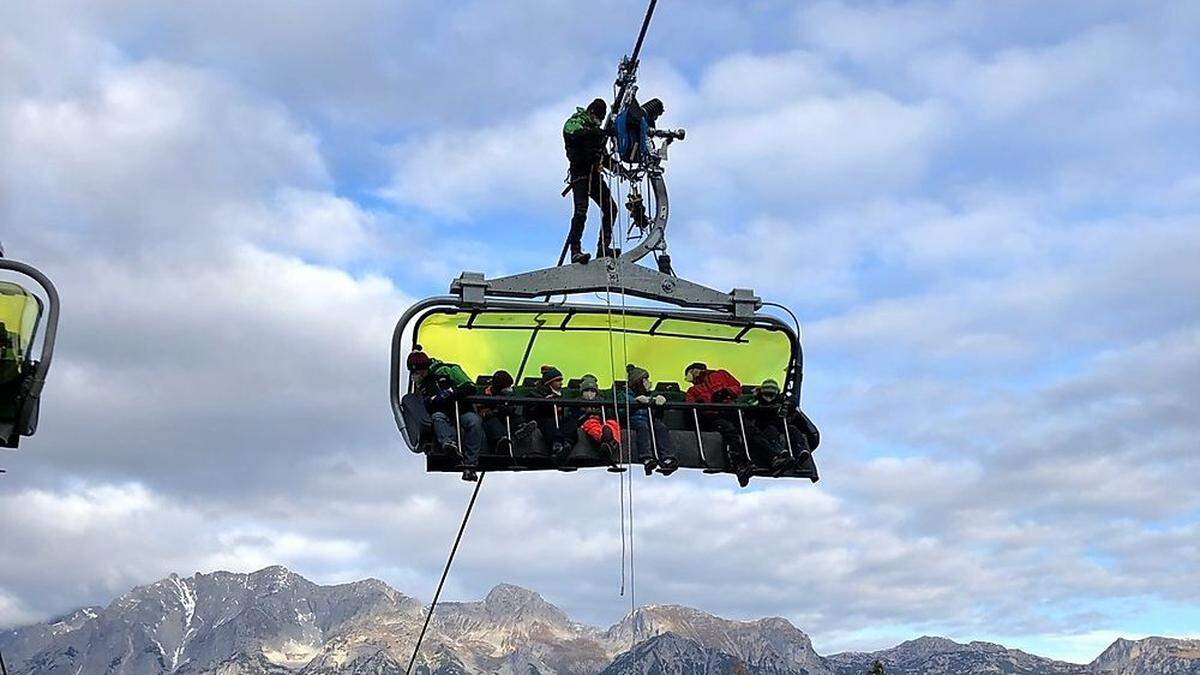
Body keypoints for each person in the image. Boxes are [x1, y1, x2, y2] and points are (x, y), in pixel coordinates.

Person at [407, 347, 484, 482]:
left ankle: (470, 462)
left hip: (461, 410)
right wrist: (432, 400)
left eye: (419, 371)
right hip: (442, 414)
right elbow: (423, 403)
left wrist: (451, 392)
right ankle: (448, 445)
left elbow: (471, 387)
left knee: (474, 421)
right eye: (415, 372)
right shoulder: (422, 384)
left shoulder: (449, 370)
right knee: (438, 418)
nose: (417, 375)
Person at [563, 98, 617, 264]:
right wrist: (599, 133)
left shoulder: (598, 135)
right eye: (598, 118)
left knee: (610, 208)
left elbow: (604, 158)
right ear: (592, 112)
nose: (599, 122)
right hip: (580, 173)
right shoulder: (575, 122)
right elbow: (574, 132)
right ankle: (575, 251)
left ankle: (603, 248)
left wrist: (622, 171)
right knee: (581, 210)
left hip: (594, 174)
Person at [684, 362, 753, 487]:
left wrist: (726, 392)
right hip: (713, 416)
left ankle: (770, 455)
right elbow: (690, 405)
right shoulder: (693, 390)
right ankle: (740, 465)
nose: (689, 379)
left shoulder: (720, 374)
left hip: (729, 409)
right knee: (729, 431)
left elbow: (736, 387)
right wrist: (703, 404)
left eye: (688, 375)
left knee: (748, 428)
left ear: (694, 371)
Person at [624, 364, 679, 476]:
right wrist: (635, 402)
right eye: (645, 380)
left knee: (661, 427)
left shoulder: (652, 395)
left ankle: (667, 458)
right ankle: (646, 458)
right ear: (638, 382)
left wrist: (660, 402)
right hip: (635, 419)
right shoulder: (625, 395)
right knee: (642, 427)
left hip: (651, 419)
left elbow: (658, 414)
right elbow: (621, 412)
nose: (648, 383)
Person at [742, 379, 805, 476]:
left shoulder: (780, 399)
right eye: (766, 394)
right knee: (771, 430)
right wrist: (755, 406)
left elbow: (792, 400)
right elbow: (746, 407)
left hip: (778, 423)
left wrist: (788, 405)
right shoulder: (755, 399)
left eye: (771, 395)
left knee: (793, 429)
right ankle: (779, 454)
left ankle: (800, 451)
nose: (768, 398)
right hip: (761, 425)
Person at [476, 369, 534, 455]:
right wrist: (497, 410)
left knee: (517, 418)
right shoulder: (486, 395)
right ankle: (502, 441)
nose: (509, 388)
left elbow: (513, 408)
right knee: (492, 422)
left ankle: (521, 428)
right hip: (493, 420)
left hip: (508, 417)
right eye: (507, 386)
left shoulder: (510, 394)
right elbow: (483, 413)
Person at [574, 374, 625, 472]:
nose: (589, 394)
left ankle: (612, 442)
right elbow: (574, 418)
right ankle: (603, 439)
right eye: (586, 391)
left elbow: (609, 415)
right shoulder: (577, 403)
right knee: (592, 424)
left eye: (592, 391)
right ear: (582, 392)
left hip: (602, 421)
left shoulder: (602, 402)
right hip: (587, 421)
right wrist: (586, 413)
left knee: (612, 423)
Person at [529, 365, 575, 464]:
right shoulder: (535, 394)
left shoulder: (561, 396)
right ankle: (557, 447)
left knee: (571, 422)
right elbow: (530, 412)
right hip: (544, 422)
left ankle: (566, 444)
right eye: (558, 380)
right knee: (549, 423)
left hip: (560, 421)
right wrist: (546, 403)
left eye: (561, 380)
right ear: (549, 382)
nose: (561, 383)